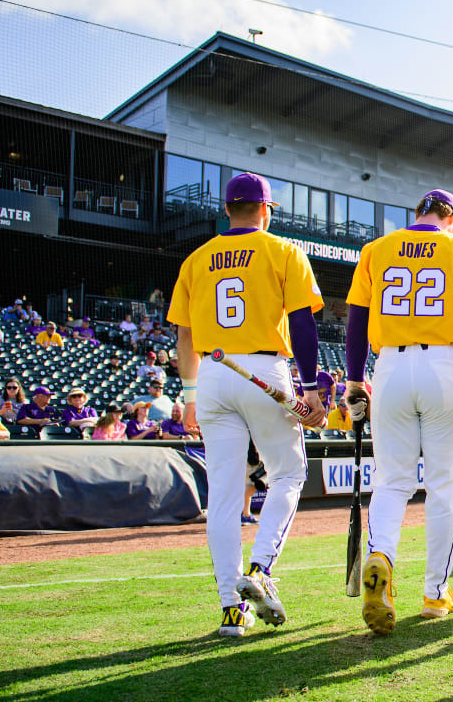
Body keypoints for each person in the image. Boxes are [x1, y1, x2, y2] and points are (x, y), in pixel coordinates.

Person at [169, 171, 327, 638]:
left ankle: (231, 609)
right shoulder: (282, 250)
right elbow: (302, 325)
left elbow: (184, 335)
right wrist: (311, 387)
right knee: (289, 475)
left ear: (226, 209)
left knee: (222, 493)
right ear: (266, 210)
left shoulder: (196, 258)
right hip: (263, 369)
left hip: (214, 373)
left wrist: (190, 397)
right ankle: (260, 569)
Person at [345, 188, 453, 635]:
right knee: (443, 486)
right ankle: (436, 592)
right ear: (451, 217)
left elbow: (356, 320)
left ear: (418, 212)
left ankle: (382, 559)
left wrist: (355, 379)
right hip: (442, 366)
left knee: (392, 482)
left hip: (390, 365)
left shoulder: (375, 249)